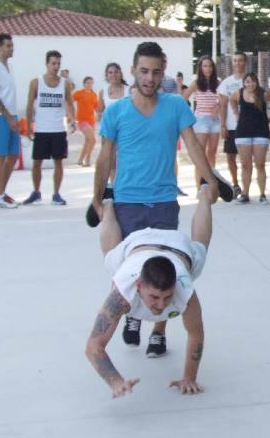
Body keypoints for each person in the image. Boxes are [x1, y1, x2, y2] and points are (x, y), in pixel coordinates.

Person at [88, 41, 230, 359]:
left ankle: (158, 332)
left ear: (163, 71)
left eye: (155, 72)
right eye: (143, 71)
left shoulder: (176, 106)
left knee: (164, 270)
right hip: (127, 201)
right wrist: (98, 199)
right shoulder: (116, 112)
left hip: (164, 200)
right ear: (132, 71)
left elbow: (194, 146)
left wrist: (210, 179)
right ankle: (135, 317)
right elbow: (104, 157)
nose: (149, 78)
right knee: (130, 269)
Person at [85, 182, 215, 398]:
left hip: (178, 247)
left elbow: (195, 334)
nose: (161, 305)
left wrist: (189, 378)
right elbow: (93, 346)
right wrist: (115, 381)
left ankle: (205, 191)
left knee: (200, 248)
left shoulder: (185, 290)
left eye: (167, 297)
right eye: (154, 297)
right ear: (138, 286)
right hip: (137, 245)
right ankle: (107, 203)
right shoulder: (122, 289)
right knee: (110, 255)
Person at [22, 50, 76, 206]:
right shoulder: (36, 82)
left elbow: (70, 103)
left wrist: (73, 119)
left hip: (58, 129)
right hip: (41, 129)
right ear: (46, 64)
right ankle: (36, 192)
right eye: (53, 63)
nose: (56, 66)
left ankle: (56, 194)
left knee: (58, 162)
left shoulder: (65, 84)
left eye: (58, 63)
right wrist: (28, 126)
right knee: (37, 162)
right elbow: (29, 104)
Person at [230, 72, 270, 204]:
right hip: (243, 132)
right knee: (245, 165)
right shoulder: (239, 93)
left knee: (260, 164)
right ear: (244, 83)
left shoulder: (264, 93)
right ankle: (245, 194)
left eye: (253, 81)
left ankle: (262, 195)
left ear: (257, 82)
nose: (251, 84)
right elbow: (231, 100)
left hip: (260, 132)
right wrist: (236, 113)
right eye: (248, 81)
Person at [0, 33, 20, 208]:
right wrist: (8, 117)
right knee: (0, 155)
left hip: (12, 116)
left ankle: (2, 191)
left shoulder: (10, 66)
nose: (11, 48)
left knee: (13, 154)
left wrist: (14, 117)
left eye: (12, 45)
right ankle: (0, 196)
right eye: (8, 45)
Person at [183, 56, 222, 192]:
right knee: (201, 155)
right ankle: (200, 187)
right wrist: (188, 117)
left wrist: (218, 106)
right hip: (201, 120)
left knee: (212, 153)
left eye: (210, 66)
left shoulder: (218, 83)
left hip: (215, 121)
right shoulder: (196, 83)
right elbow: (184, 97)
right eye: (205, 66)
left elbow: (222, 100)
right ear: (200, 67)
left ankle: (212, 184)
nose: (208, 69)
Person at [218, 52, 248, 196]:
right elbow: (222, 105)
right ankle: (236, 184)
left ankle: (246, 187)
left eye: (240, 60)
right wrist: (222, 125)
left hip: (246, 126)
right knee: (231, 157)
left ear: (245, 63)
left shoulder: (250, 81)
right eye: (235, 61)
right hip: (230, 126)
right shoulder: (226, 83)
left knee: (245, 159)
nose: (237, 63)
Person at [97, 63, 129, 185]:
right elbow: (100, 111)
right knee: (110, 161)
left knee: (124, 159)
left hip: (125, 130)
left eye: (116, 72)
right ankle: (114, 186)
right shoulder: (103, 91)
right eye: (110, 72)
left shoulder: (129, 90)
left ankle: (125, 185)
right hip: (108, 131)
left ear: (120, 73)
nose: (113, 75)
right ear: (106, 75)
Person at [72, 76, 99, 167]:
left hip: (91, 120)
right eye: (87, 82)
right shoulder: (79, 93)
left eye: (91, 83)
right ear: (84, 84)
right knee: (93, 140)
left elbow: (96, 107)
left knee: (88, 141)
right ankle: (88, 158)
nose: (89, 84)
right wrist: (70, 115)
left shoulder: (94, 94)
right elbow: (69, 101)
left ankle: (80, 160)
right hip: (82, 120)